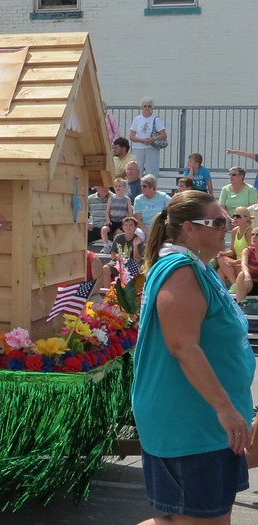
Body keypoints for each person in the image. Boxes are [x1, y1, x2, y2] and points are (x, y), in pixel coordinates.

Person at [133, 190, 254, 524]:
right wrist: (225, 408)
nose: (226, 227)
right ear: (189, 229)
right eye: (216, 222)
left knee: (179, 521)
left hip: (203, 424)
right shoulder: (180, 270)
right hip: (191, 423)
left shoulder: (197, 268)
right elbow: (182, 346)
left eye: (227, 220)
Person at [128, 97, 166, 179]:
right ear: (141, 107)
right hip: (138, 148)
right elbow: (131, 136)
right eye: (145, 106)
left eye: (149, 106)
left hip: (151, 147)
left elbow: (163, 135)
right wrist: (142, 140)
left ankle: (152, 188)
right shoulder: (137, 119)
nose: (147, 108)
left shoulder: (157, 119)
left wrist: (152, 139)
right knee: (137, 169)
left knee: (152, 170)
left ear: (152, 108)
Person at [216, 207, 253, 287]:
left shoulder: (250, 232)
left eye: (238, 216)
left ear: (246, 218)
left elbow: (251, 254)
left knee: (221, 270)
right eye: (234, 216)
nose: (235, 218)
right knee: (220, 260)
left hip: (247, 263)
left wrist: (235, 262)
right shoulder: (234, 231)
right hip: (238, 262)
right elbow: (232, 251)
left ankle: (235, 285)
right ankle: (232, 289)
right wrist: (224, 253)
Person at [101, 178, 133, 251]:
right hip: (112, 221)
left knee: (118, 233)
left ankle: (115, 249)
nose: (117, 188)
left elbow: (130, 212)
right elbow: (107, 211)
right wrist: (108, 220)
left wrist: (129, 222)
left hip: (122, 222)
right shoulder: (111, 198)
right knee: (103, 230)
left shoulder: (127, 199)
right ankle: (106, 246)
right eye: (116, 186)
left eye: (120, 186)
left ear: (124, 188)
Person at [234, 231, 258, 304]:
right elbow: (243, 264)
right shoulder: (247, 251)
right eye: (252, 234)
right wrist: (247, 275)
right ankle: (240, 306)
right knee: (242, 275)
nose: (254, 237)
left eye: (257, 235)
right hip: (250, 283)